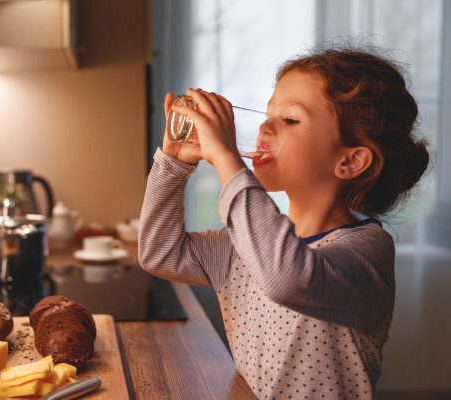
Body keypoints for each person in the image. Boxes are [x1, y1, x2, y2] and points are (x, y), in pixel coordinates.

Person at [138, 46, 430, 399]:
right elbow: (159, 252)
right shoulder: (244, 246)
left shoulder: (366, 251)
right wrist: (173, 163)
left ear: (350, 161)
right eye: (267, 114)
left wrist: (227, 157)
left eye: (290, 119)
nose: (264, 126)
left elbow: (287, 277)